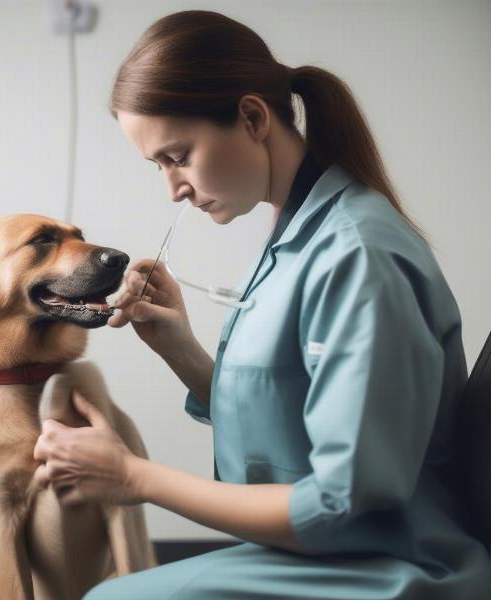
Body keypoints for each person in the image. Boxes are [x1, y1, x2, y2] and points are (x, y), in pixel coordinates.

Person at [33, 10, 491, 599]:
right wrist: (180, 348)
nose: (173, 188)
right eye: (158, 166)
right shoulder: (295, 233)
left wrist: (130, 476)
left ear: (251, 117)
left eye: (178, 157)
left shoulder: (358, 257)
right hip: (334, 552)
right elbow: (289, 419)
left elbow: (338, 506)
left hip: (391, 563)